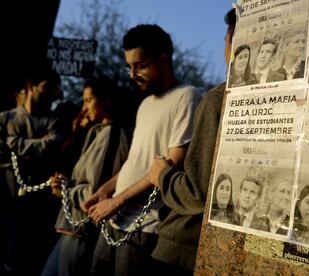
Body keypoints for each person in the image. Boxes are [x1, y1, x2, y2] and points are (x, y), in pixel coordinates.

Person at [82, 24, 201, 276]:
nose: (132, 74)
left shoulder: (187, 97)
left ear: (163, 60)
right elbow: (136, 161)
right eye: (129, 67)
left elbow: (171, 164)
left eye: (140, 65)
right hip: (113, 219)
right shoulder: (144, 104)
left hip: (144, 227)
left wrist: (118, 201)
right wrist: (104, 192)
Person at [148, 8, 236, 274]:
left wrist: (162, 174)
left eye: (225, 38)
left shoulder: (216, 99)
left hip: (180, 247)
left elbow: (195, 193)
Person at [41, 76, 129, 276]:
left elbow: (95, 194)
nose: (84, 107)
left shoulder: (111, 135)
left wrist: (65, 191)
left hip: (82, 231)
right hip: (72, 227)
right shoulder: (97, 132)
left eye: (89, 101)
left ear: (106, 102)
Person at [0, 67, 64, 276]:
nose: (51, 93)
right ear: (30, 87)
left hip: (38, 207)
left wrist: (14, 143)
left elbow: (53, 145)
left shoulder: (53, 122)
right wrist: (38, 143)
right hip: (6, 199)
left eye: (54, 89)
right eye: (46, 87)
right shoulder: (6, 119)